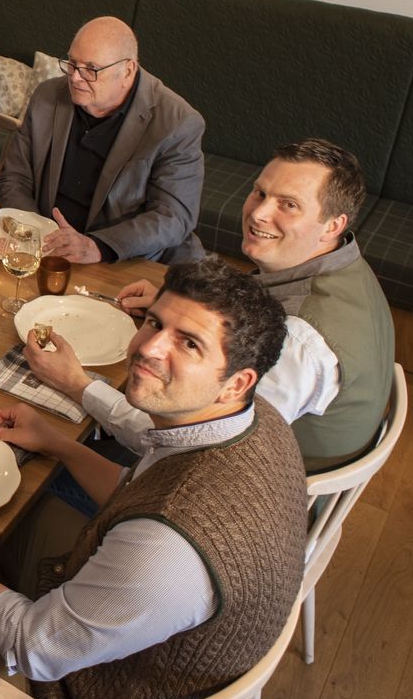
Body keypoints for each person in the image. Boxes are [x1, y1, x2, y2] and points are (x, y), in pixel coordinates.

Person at [0, 258, 307, 699]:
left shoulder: (165, 553)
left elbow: (35, 646)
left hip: (84, 687)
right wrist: (59, 445)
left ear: (235, 382)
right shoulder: (256, 419)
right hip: (128, 623)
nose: (149, 348)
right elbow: (144, 492)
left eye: (189, 344)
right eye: (155, 323)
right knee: (8, 515)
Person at [38, 138, 394, 472]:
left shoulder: (298, 342)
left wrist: (77, 385)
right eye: (260, 193)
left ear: (334, 225)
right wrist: (182, 312)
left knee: (43, 459)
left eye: (288, 205)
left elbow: (184, 443)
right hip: (264, 456)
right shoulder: (345, 265)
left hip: (234, 499)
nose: (259, 214)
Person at [0, 16, 204, 263]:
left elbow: (173, 216)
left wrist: (96, 246)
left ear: (127, 70)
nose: (74, 78)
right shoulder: (47, 96)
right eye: (72, 63)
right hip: (43, 248)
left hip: (123, 261)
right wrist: (35, 233)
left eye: (91, 69)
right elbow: (14, 177)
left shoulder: (177, 122)